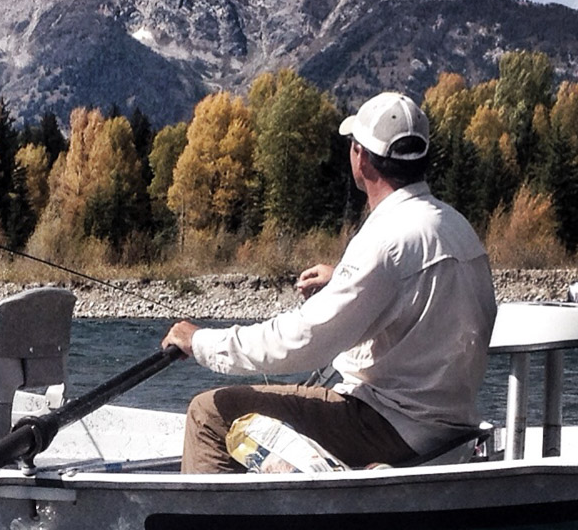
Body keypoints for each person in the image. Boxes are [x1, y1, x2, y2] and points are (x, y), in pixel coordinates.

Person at [162, 91, 497, 474]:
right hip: (449, 431)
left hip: (392, 427)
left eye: (353, 146)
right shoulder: (457, 227)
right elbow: (428, 308)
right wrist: (342, 281)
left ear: (361, 157)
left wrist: (201, 341)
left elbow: (303, 342)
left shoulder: (386, 238)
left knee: (209, 412)